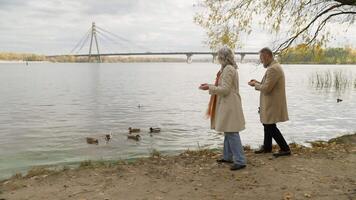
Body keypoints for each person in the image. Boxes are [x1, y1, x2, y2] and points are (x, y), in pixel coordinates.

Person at [199, 46, 246, 170]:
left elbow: (225, 90)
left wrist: (209, 87)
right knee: (228, 130)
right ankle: (227, 156)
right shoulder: (227, 69)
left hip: (229, 104)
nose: (218, 59)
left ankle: (240, 160)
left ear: (223, 57)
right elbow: (223, 87)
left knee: (232, 132)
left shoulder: (229, 69)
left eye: (219, 56)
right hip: (227, 103)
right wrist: (210, 86)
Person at [248, 47, 291, 157]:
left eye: (261, 58)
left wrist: (255, 85)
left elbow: (267, 88)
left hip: (272, 103)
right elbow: (268, 84)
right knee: (267, 124)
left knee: (270, 126)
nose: (261, 60)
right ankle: (267, 147)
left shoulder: (273, 69)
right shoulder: (274, 67)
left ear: (267, 56)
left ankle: (285, 149)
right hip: (271, 102)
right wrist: (257, 82)